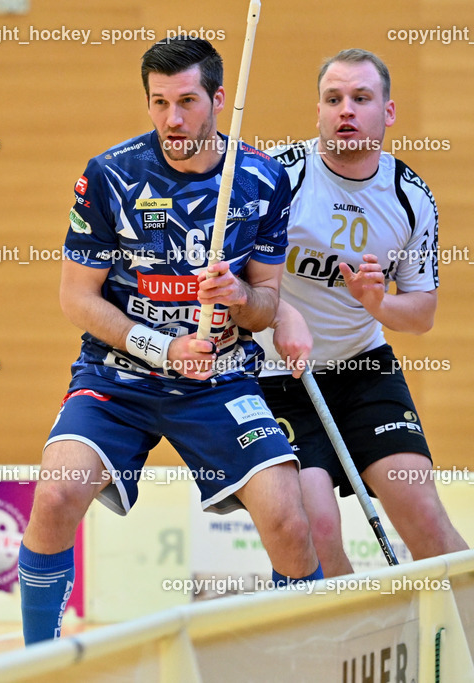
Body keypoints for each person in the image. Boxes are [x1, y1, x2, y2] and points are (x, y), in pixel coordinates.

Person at [18, 36, 322, 644]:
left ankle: (301, 658)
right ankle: (39, 662)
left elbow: (266, 307)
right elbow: (76, 298)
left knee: (290, 519)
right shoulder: (109, 175)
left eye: (187, 101)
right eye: (158, 103)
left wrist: (239, 296)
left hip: (219, 378)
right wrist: (162, 348)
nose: (172, 119)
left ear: (218, 98)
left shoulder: (261, 179)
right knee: (55, 495)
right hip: (117, 375)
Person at [256, 49, 468, 578]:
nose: (345, 110)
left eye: (360, 98)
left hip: (364, 370)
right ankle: (358, 652)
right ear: (319, 111)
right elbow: (232, 279)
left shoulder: (410, 197)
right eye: (333, 99)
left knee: (423, 513)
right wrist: (280, 313)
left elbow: (421, 315)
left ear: (388, 113)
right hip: (281, 380)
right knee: (318, 529)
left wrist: (379, 304)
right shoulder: (278, 179)